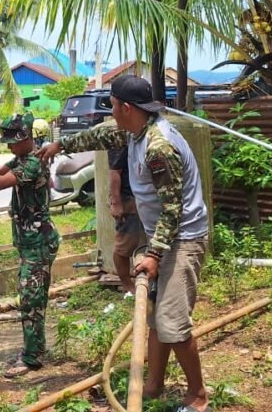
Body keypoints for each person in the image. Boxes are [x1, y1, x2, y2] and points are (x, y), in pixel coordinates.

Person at [39, 75, 211, 412]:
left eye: (114, 105)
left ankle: (198, 396)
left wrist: (154, 254)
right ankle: (153, 386)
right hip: (166, 237)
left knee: (173, 322)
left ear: (127, 108)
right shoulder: (136, 132)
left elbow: (172, 209)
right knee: (157, 319)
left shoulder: (158, 147)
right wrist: (61, 145)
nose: (111, 111)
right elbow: (101, 135)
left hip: (183, 240)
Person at [0, 112, 59, 378]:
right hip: (30, 243)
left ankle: (32, 358)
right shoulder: (21, 158)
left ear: (26, 138)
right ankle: (35, 348)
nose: (9, 146)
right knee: (33, 297)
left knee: (31, 299)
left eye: (12, 142)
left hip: (39, 242)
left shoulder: (33, 163)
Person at [109, 143, 148, 294]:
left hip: (144, 197)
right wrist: (116, 202)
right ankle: (127, 283)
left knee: (147, 241)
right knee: (125, 243)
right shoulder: (119, 139)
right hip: (128, 198)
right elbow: (114, 172)